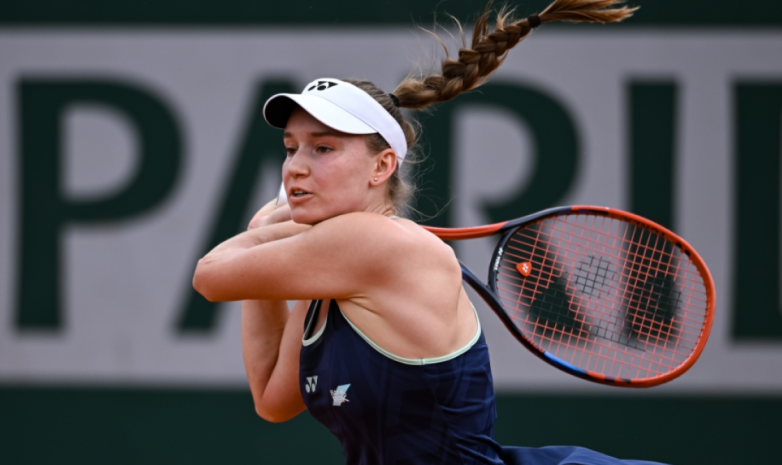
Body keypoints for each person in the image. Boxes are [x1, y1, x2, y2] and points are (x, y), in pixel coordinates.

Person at [193, 1, 667, 463]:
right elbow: (272, 398)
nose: (296, 167)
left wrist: (262, 227)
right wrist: (267, 245)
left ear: (381, 167)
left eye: (323, 149)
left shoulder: (375, 242)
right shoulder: (329, 277)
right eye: (290, 148)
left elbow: (210, 276)